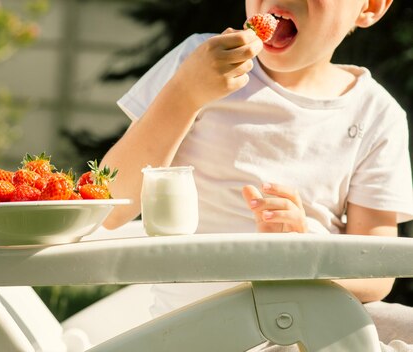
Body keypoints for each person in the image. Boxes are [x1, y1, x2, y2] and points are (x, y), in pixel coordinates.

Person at [100, 0, 413, 350]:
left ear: (369, 7)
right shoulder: (198, 61)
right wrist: (186, 92)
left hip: (312, 324)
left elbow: (378, 273)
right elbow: (112, 204)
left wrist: (304, 253)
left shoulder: (376, 114)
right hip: (198, 333)